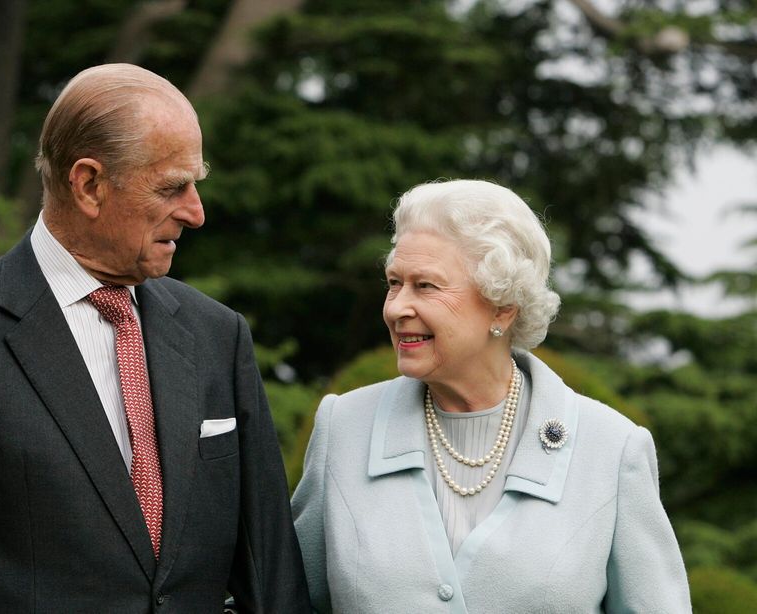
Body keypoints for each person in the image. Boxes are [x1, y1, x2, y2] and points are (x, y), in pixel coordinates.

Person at [0, 63, 310, 613]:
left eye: (196, 184)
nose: (195, 212)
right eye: (172, 187)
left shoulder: (218, 335)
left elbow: (274, 577)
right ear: (89, 184)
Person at [291, 179, 691, 612]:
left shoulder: (611, 449)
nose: (395, 308)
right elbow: (285, 599)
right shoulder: (344, 427)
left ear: (502, 306)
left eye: (425, 286)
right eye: (394, 282)